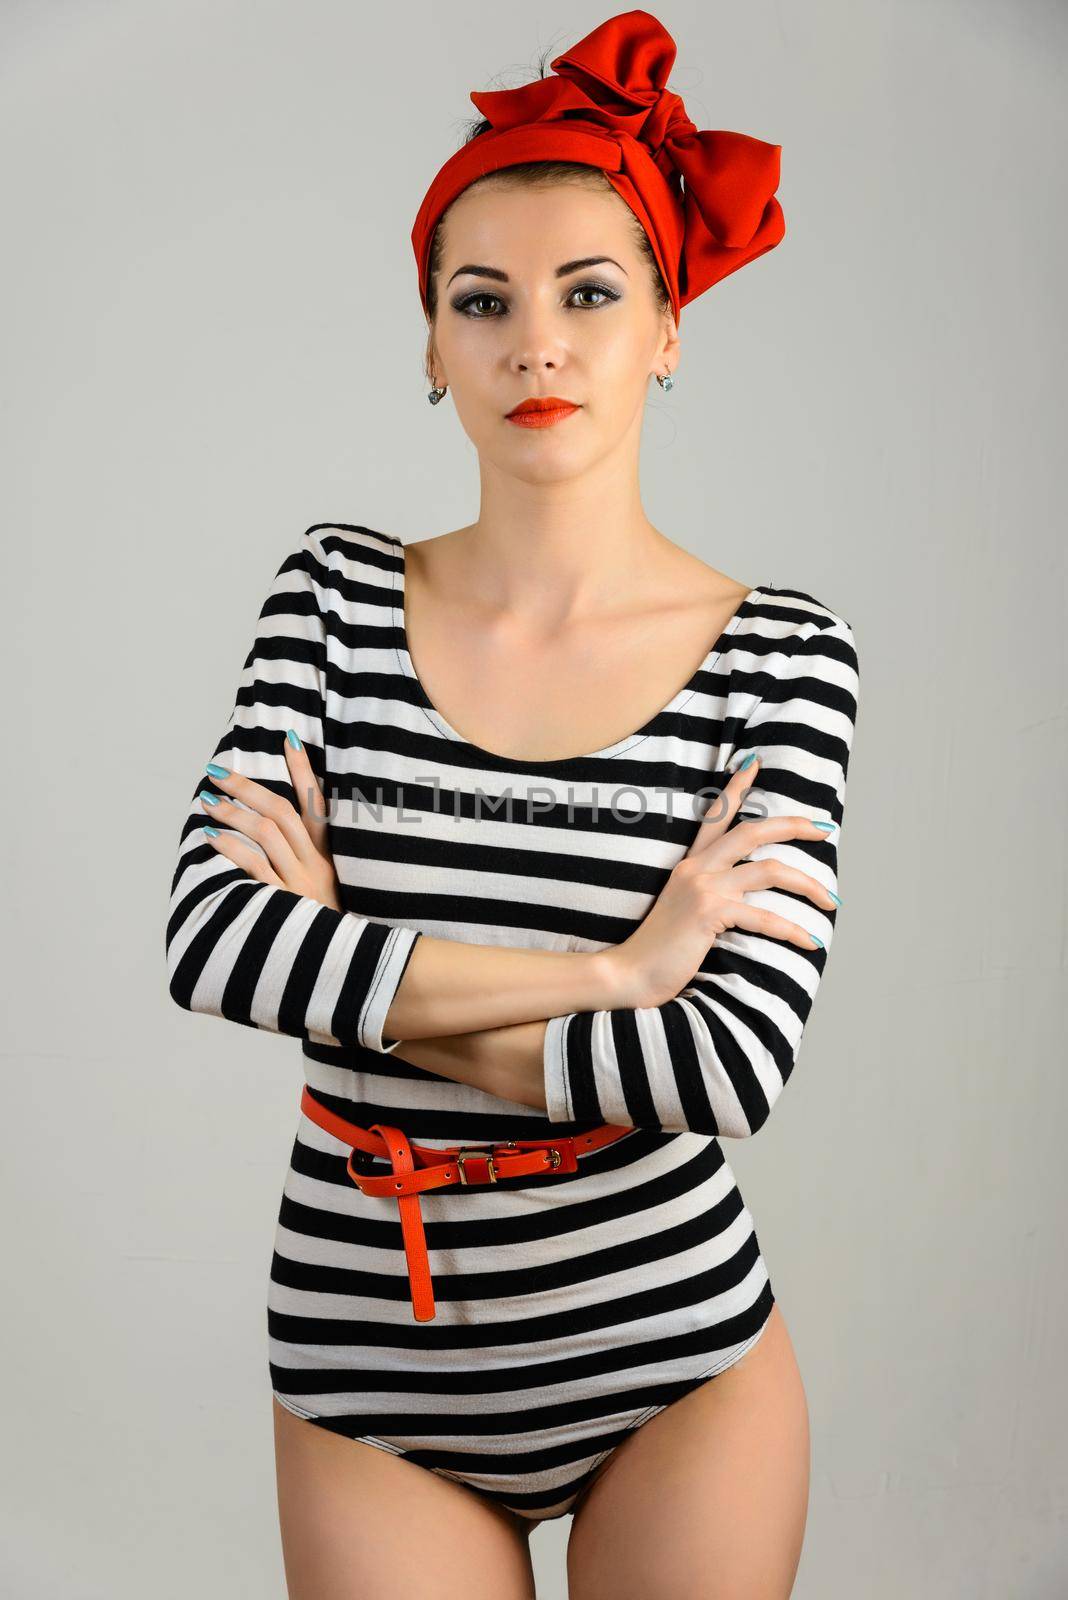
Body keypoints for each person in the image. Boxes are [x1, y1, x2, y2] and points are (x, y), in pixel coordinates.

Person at [165, 11, 859, 1597]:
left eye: (589, 294)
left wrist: (352, 965)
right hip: (370, 1371)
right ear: (430, 347)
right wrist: (612, 974)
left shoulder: (784, 661)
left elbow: (727, 1063)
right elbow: (213, 943)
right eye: (480, 303)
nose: (533, 342)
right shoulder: (331, 602)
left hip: (671, 1356)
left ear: (668, 328)